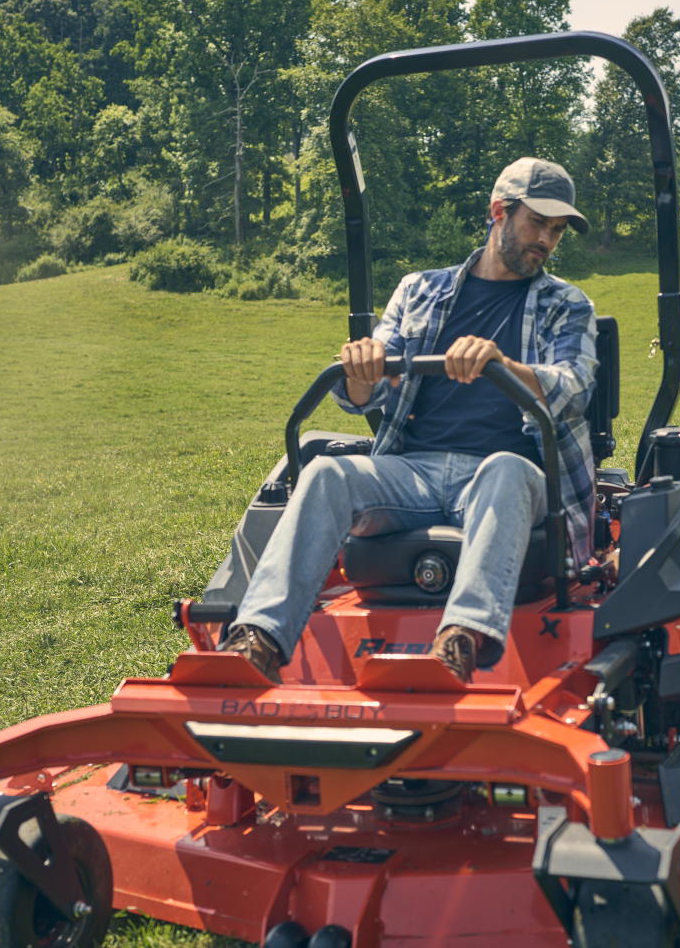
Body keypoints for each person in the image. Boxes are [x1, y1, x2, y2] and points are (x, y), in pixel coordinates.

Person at [221, 157, 599, 683]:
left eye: (557, 230)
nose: (547, 240)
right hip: (411, 471)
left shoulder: (567, 304)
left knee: (506, 469)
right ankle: (255, 640)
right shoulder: (421, 290)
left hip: (506, 474)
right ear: (498, 212)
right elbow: (364, 395)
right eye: (538, 222)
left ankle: (457, 645)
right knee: (327, 472)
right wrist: (359, 369)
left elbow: (575, 388)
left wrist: (502, 365)